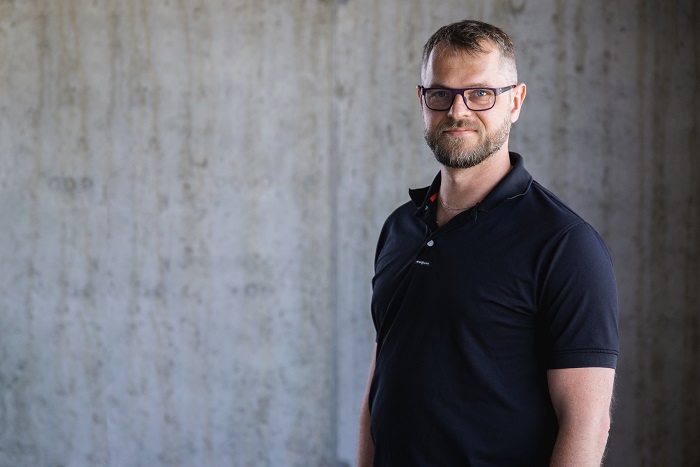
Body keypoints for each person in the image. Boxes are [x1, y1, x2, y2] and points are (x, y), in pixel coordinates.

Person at [357, 19, 619, 466]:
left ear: (515, 102)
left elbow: (587, 424)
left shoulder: (565, 245)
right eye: (440, 93)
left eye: (480, 93)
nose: (457, 111)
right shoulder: (400, 228)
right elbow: (382, 378)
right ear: (422, 100)